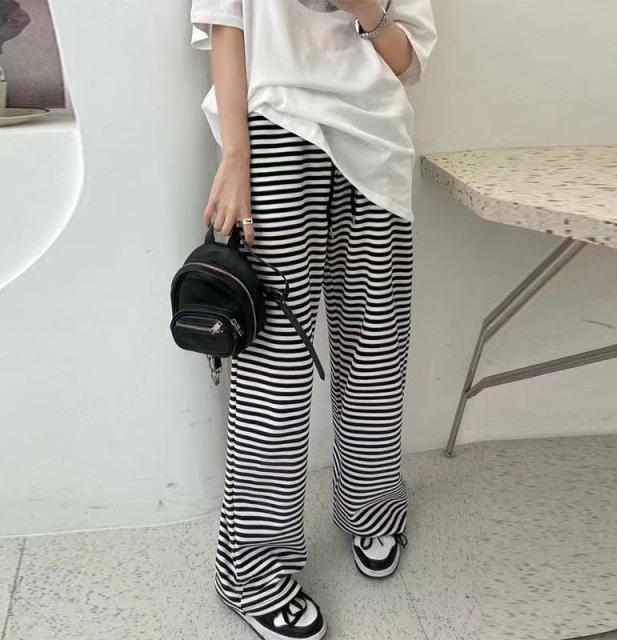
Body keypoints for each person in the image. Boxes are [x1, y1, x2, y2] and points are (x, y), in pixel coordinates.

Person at [190, 1, 437, 638]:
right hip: (275, 128)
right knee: (274, 364)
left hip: (377, 138)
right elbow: (225, 21)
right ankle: (249, 567)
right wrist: (235, 154)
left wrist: (361, 7)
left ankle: (373, 507)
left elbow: (407, 59)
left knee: (375, 345)